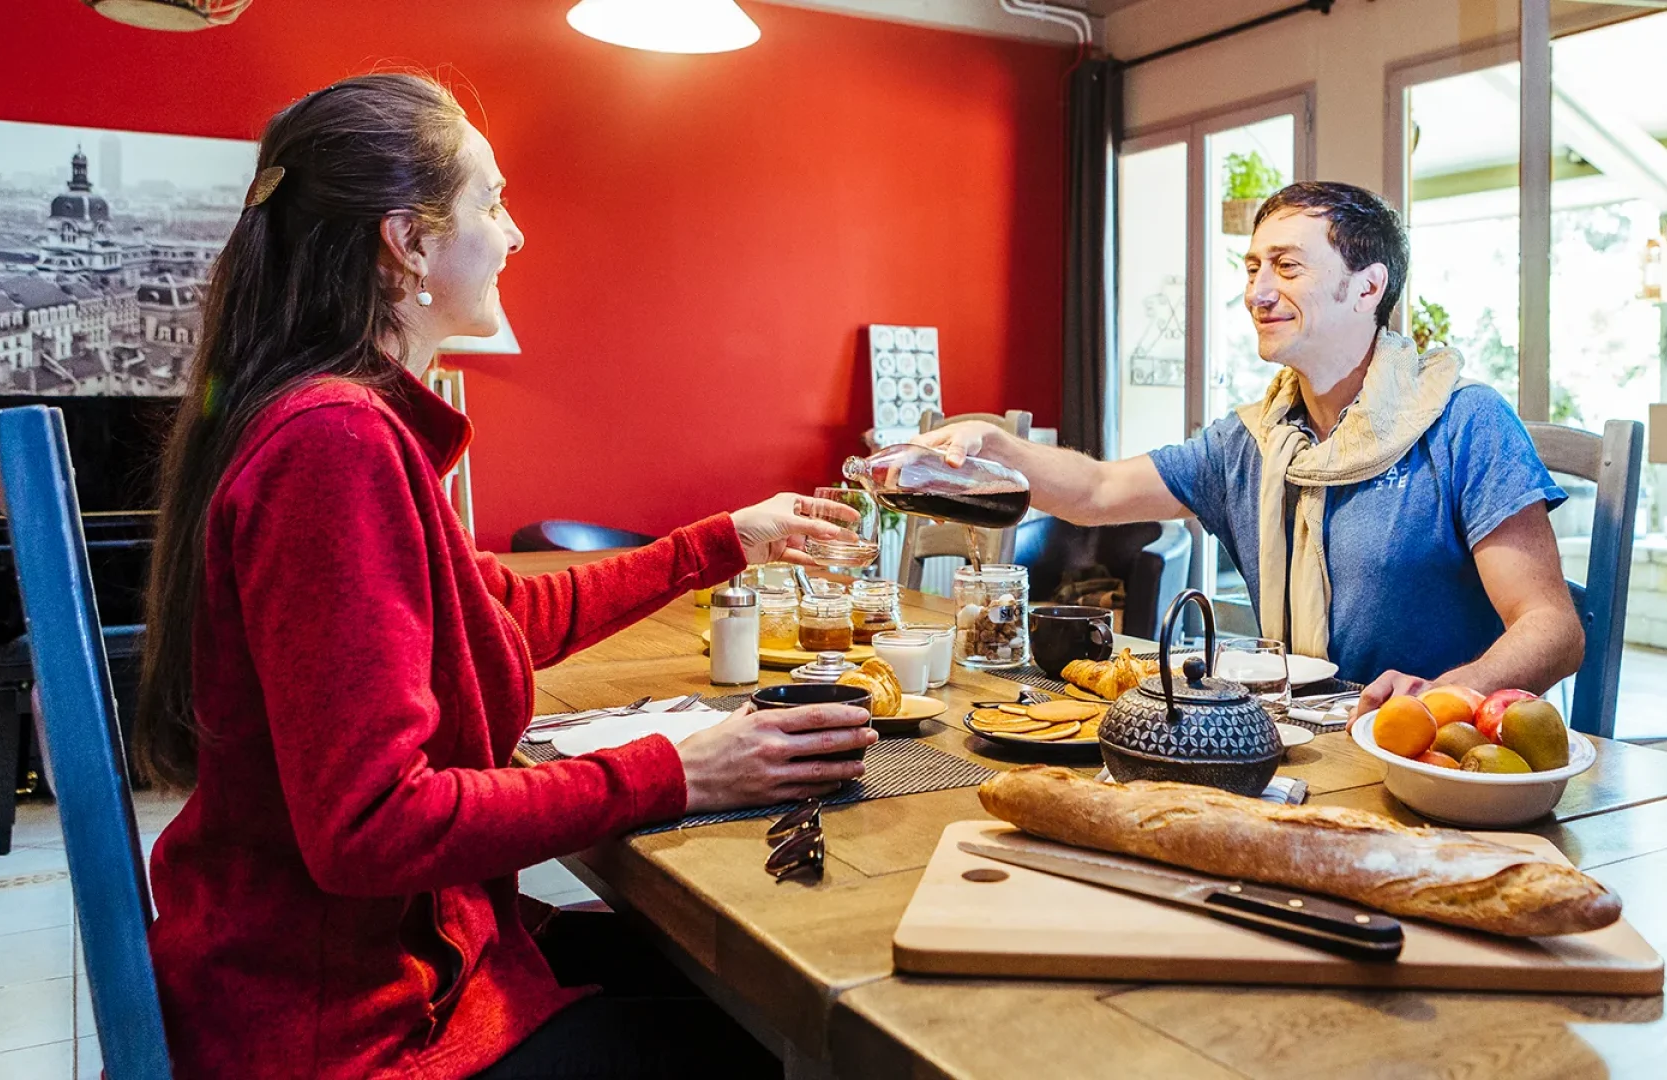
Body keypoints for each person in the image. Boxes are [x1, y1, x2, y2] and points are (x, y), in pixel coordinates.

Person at [135, 73, 871, 1079]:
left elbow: (502, 612)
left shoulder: (340, 421)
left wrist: (724, 540)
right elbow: (371, 829)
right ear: (410, 242)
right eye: (493, 202)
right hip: (344, 1028)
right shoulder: (336, 444)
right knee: (764, 1030)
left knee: (737, 981)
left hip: (378, 966)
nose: (515, 234)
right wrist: (680, 772)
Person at [918, 181, 1582, 714]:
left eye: (1287, 266)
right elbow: (1095, 493)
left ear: (1368, 286)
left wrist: (1450, 694)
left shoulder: (1466, 423)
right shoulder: (1251, 441)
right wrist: (997, 446)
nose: (1257, 293)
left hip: (1432, 763)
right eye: (1254, 267)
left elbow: (1552, 627)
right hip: (1294, 740)